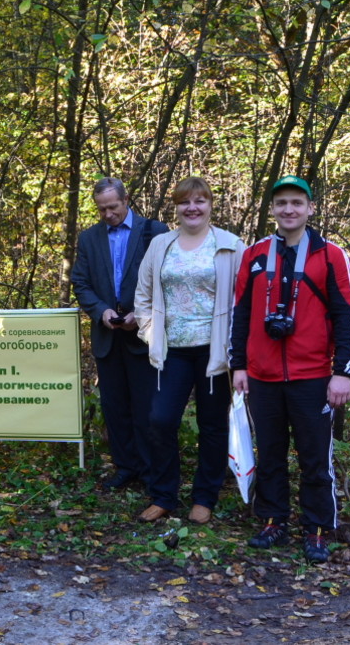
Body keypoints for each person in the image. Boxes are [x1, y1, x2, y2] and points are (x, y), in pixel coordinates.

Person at [230, 175, 350, 563]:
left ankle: (318, 528)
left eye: (297, 203)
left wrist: (343, 371)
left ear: (310, 208)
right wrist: (238, 364)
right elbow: (240, 314)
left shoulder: (331, 254)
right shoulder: (254, 255)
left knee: (314, 457)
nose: (289, 209)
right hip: (262, 375)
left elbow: (347, 316)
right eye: (282, 203)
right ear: (272, 208)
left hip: (314, 375)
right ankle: (272, 520)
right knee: (269, 453)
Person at [133, 177, 245, 524]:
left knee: (212, 425)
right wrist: (151, 333)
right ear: (176, 208)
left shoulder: (229, 245)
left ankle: (204, 497)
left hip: (214, 351)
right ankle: (165, 495)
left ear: (211, 204)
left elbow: (245, 301)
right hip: (172, 351)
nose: (192, 208)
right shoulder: (161, 245)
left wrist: (236, 348)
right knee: (160, 419)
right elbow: (144, 295)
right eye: (185, 202)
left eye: (200, 201)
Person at [71, 177, 167, 490]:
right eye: (102, 209)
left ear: (126, 200)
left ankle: (153, 472)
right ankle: (125, 467)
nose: (108, 214)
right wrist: (102, 311)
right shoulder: (89, 239)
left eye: (113, 207)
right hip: (108, 338)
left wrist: (142, 316)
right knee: (115, 408)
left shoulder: (155, 232)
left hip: (143, 337)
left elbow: (166, 282)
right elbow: (81, 283)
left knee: (147, 409)